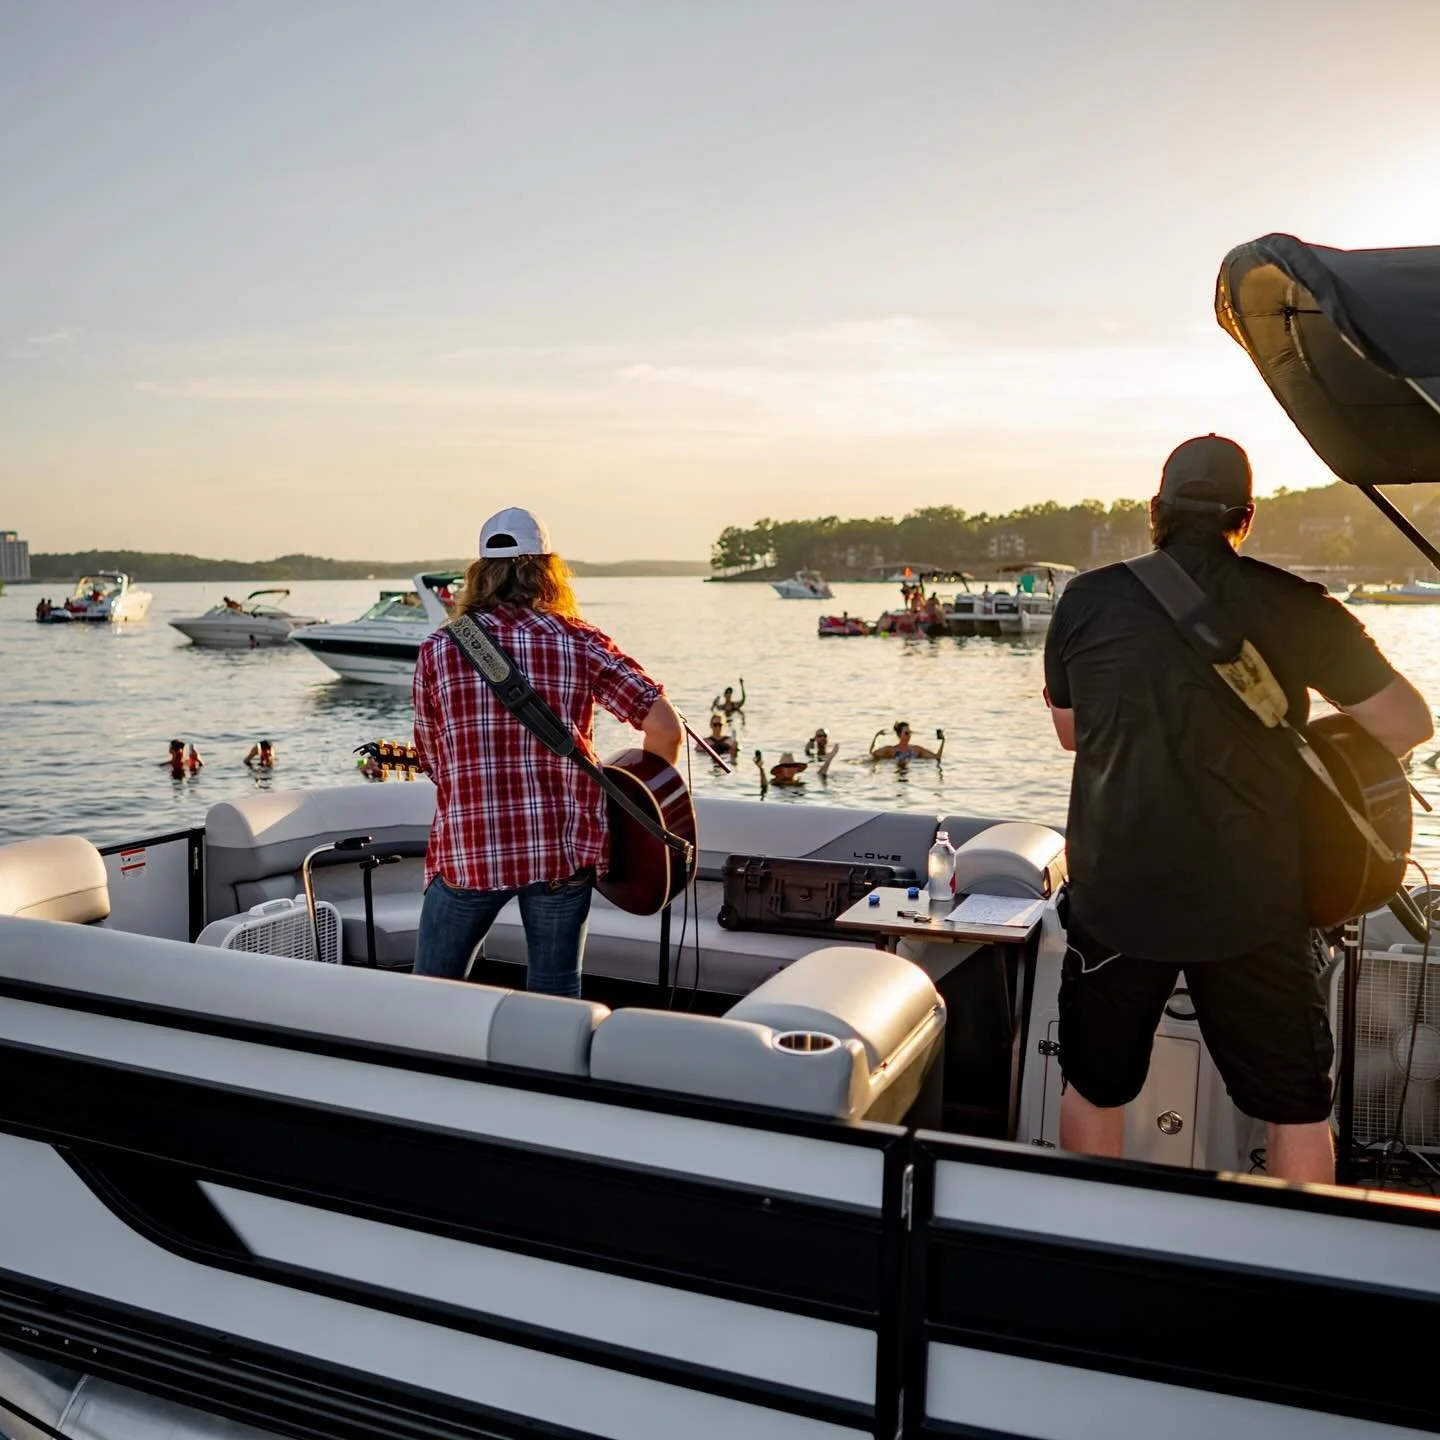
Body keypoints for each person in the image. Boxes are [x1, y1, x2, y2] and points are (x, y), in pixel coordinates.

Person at [1043, 434, 1433, 1185]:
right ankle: (1290, 1265)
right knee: (1294, 1106)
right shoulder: (1298, 605)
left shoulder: (1088, 598)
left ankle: (1089, 1248)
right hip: (1255, 900)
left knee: (1094, 1083)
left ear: (1155, 512)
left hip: (1118, 892)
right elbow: (1408, 722)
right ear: (1245, 517)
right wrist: (1295, 740)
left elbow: (1071, 732)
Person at [412, 506, 683, 998]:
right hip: (562, 850)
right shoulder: (580, 641)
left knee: (433, 992)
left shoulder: (439, 649)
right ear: (547, 571)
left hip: (470, 849)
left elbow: (433, 760)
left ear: (478, 573)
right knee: (556, 994)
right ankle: (547, 1070)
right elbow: (664, 730)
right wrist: (636, 800)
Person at [870, 721, 944, 761]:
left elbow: (936, 757)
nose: (909, 735)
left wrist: (943, 741)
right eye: (906, 733)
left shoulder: (917, 749)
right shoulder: (891, 750)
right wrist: (876, 736)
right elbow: (872, 753)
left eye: (909, 733)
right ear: (899, 735)